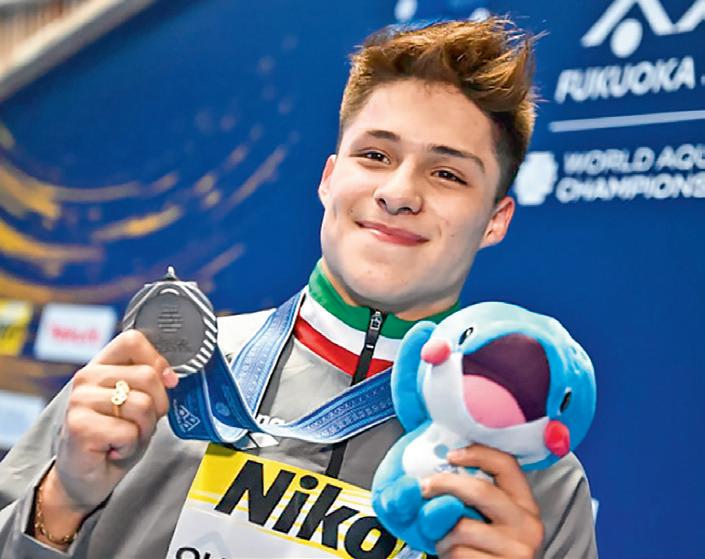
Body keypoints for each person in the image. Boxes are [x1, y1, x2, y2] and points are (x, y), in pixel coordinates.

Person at [0, 16, 597, 559]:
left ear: (495, 220)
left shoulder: (529, 470)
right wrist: (60, 505)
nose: (398, 193)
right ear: (330, 179)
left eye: (446, 173)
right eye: (375, 155)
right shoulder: (161, 378)